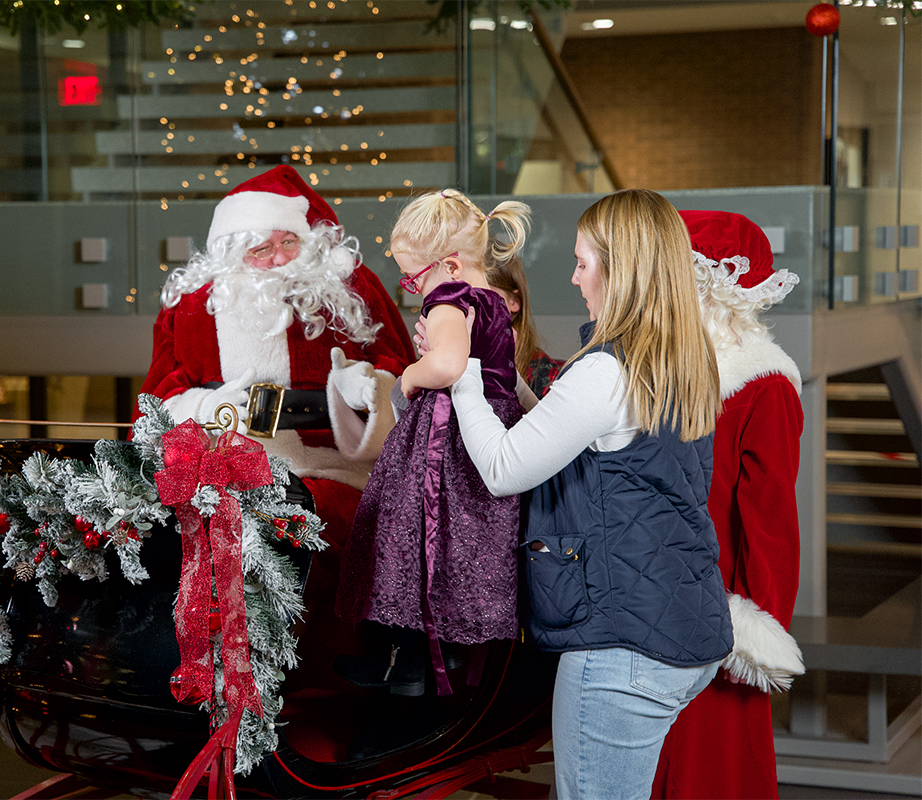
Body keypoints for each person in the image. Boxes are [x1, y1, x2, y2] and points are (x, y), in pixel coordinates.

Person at [446, 188, 734, 800]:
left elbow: (503, 468)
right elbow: (568, 430)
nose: (575, 279)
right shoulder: (680, 360)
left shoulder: (605, 370)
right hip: (681, 626)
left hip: (621, 646)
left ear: (620, 268)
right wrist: (505, 376)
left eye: (582, 262)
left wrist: (464, 377)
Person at [138, 165, 416, 684]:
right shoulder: (193, 307)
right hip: (222, 476)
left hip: (336, 470)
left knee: (317, 540)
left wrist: (368, 389)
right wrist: (205, 406)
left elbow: (401, 371)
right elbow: (158, 397)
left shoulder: (347, 288)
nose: (279, 260)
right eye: (260, 250)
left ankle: (320, 687)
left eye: (289, 242)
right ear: (230, 250)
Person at [336, 189, 532, 700]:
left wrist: (408, 377)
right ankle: (448, 653)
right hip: (483, 437)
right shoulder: (492, 302)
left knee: (409, 540)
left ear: (447, 263)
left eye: (411, 278)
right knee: (461, 551)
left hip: (445, 443)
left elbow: (446, 365)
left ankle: (405, 664)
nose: (410, 289)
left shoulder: (448, 301)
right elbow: (508, 381)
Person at [652, 210, 805, 800]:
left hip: (715, 618)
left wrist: (752, 623)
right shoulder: (665, 374)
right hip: (648, 606)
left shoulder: (764, 388)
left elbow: (771, 524)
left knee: (707, 773)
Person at [485, 256, 561, 397]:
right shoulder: (450, 360)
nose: (473, 306)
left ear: (514, 301)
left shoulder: (543, 373)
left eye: (486, 296)